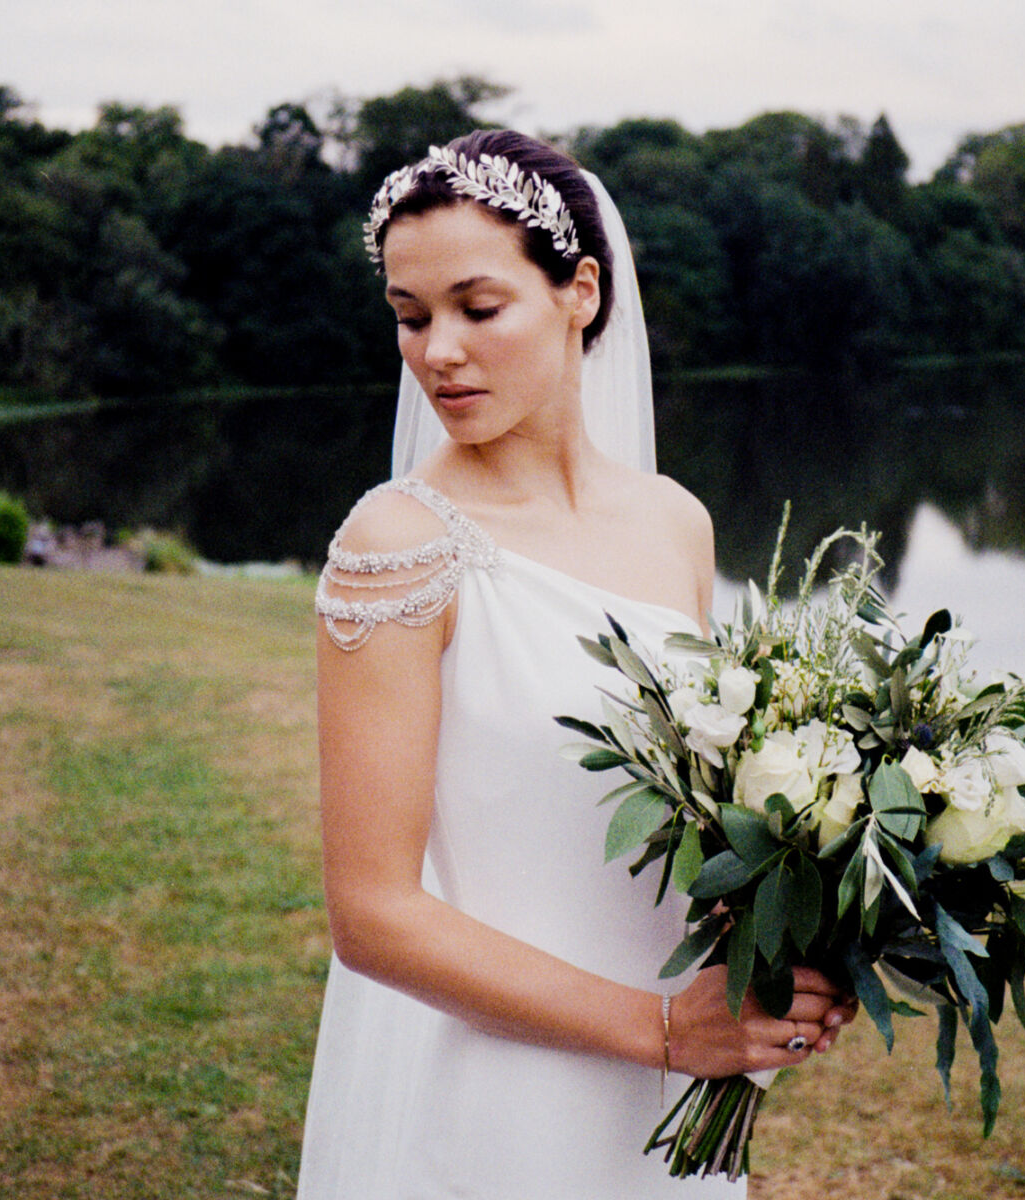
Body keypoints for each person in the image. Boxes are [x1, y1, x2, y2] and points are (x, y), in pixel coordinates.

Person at [298, 130, 854, 1198]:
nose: (438, 352)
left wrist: (786, 936)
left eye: (477, 307)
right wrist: (657, 1030)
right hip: (498, 1083)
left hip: (666, 1083)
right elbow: (372, 916)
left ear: (581, 292)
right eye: (410, 318)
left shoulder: (674, 523)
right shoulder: (396, 547)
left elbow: (700, 812)